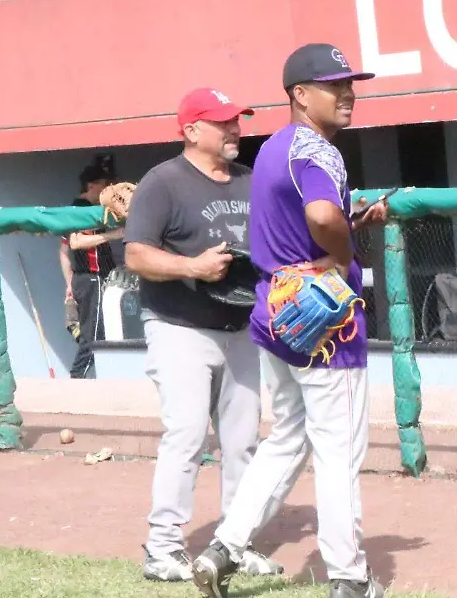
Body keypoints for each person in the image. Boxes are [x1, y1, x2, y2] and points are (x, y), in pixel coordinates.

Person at [190, 44, 388, 598]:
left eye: (350, 83)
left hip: (277, 314)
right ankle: (349, 577)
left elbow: (308, 219)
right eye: (334, 85)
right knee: (338, 452)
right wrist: (344, 251)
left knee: (286, 438)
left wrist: (352, 222)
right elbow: (321, 216)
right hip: (325, 326)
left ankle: (224, 548)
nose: (348, 93)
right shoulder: (320, 150)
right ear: (300, 94)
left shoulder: (274, 147)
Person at [124, 88, 282, 582]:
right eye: (223, 122)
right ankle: (163, 548)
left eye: (237, 120)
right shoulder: (162, 182)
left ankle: (235, 544)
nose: (235, 129)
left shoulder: (251, 181)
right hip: (179, 326)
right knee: (187, 435)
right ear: (191, 130)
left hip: (241, 327)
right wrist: (192, 266)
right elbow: (136, 254)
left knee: (243, 441)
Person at [59, 163, 120, 379]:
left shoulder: (82, 210)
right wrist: (114, 234)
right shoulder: (82, 210)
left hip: (86, 280)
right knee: (93, 337)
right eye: (105, 184)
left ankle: (86, 380)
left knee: (97, 334)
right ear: (91, 185)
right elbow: (76, 242)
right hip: (92, 279)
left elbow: (63, 252)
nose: (108, 188)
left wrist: (69, 284)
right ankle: (76, 381)